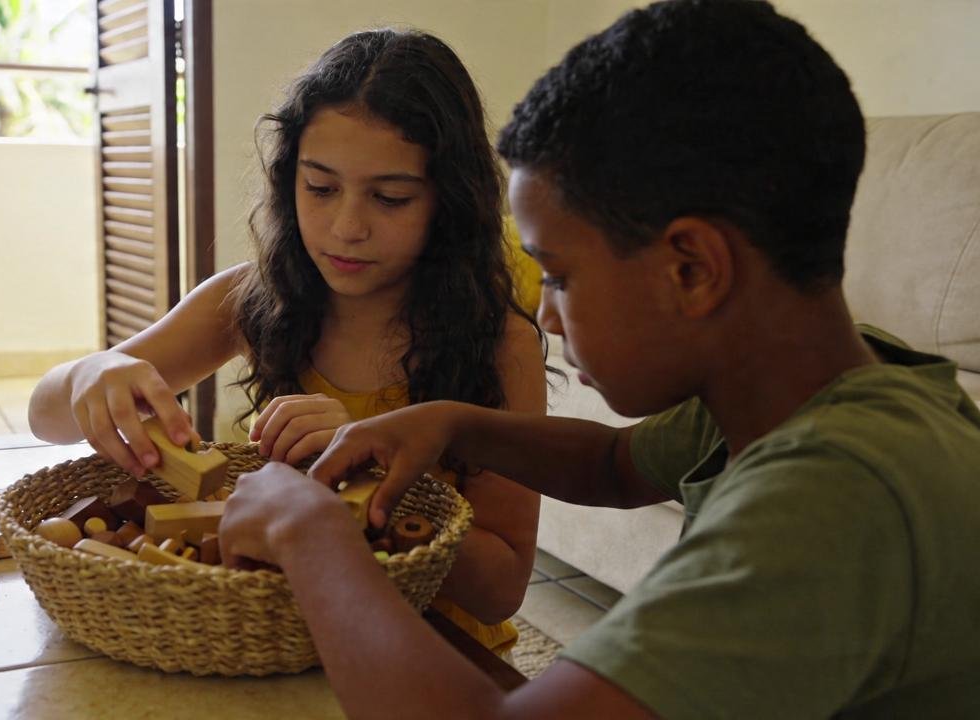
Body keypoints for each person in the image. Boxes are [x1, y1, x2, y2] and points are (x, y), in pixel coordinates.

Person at [217, 1, 980, 717]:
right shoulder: (820, 384)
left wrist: (313, 536)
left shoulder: (835, 496)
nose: (546, 310)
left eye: (560, 275)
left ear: (692, 269)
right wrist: (450, 424)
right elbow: (615, 463)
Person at [28, 28, 550, 652]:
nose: (346, 227)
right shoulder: (251, 300)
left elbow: (501, 587)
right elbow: (45, 416)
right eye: (320, 188)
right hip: (291, 640)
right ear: (287, 180)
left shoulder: (499, 345)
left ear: (448, 202)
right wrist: (93, 374)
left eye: (390, 198)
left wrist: (378, 474)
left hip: (434, 656)